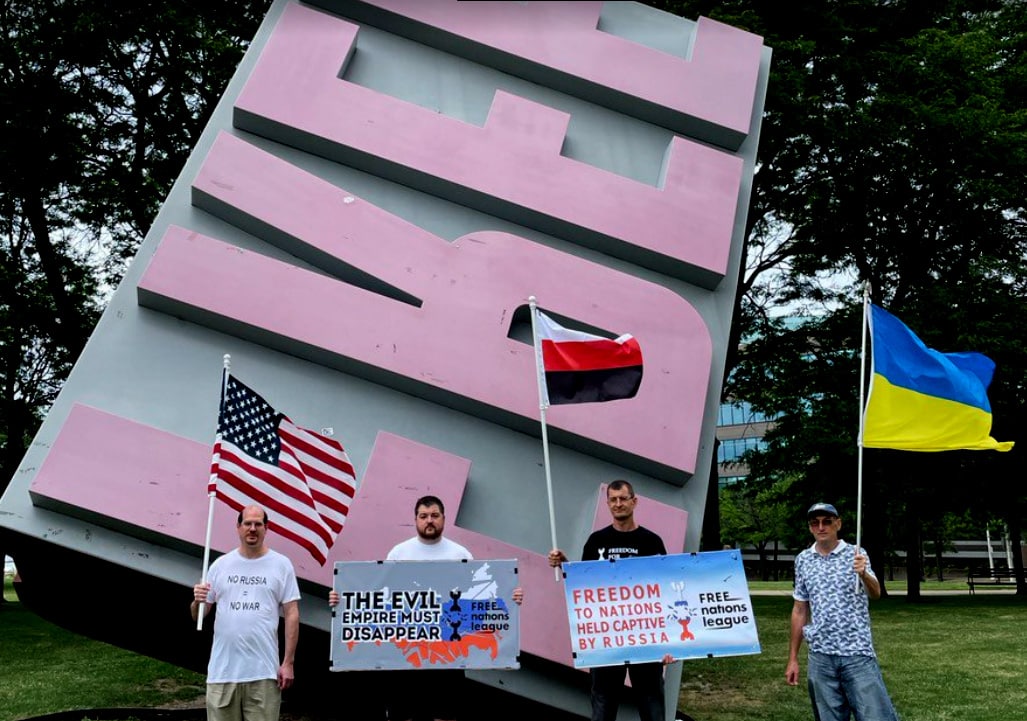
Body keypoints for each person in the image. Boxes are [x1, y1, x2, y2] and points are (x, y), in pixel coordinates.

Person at [329, 494, 523, 721]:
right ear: (416, 520)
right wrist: (342, 600)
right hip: (405, 654)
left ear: (443, 518)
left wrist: (510, 597)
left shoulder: (460, 554)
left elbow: (480, 595)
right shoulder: (399, 553)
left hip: (448, 654)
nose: (429, 520)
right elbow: (381, 597)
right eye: (423, 516)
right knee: (403, 715)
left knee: (445, 715)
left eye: (434, 515)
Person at [548, 480, 673, 721]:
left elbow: (665, 591)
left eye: (623, 498)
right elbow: (584, 587)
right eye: (613, 500)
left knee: (652, 708)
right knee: (603, 709)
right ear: (607, 504)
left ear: (634, 501)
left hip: (645, 639)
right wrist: (565, 565)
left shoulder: (652, 542)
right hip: (607, 640)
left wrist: (670, 643)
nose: (618, 504)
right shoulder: (596, 541)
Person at [785, 502, 900, 721]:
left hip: (857, 653)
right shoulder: (803, 560)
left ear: (838, 524)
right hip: (820, 655)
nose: (821, 527)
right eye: (815, 523)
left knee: (876, 716)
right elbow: (799, 609)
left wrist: (864, 573)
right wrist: (793, 659)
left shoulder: (857, 554)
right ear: (810, 527)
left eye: (827, 521)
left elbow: (875, 593)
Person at [192, 505, 300, 721]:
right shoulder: (220, 565)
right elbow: (199, 616)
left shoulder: (281, 565)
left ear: (266, 528)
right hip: (222, 674)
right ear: (238, 527)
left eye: (258, 524)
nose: (252, 529)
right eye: (247, 523)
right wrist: (197, 601)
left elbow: (292, 614)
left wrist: (288, 663)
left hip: (263, 673)